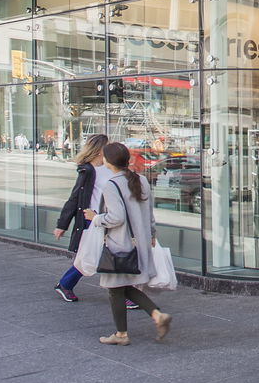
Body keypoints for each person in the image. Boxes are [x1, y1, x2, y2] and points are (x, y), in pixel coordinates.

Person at [83, 141, 171, 345]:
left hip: (120, 244)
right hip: (140, 242)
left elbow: (116, 218)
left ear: (108, 161)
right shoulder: (141, 180)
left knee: (115, 287)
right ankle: (157, 316)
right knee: (123, 286)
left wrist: (95, 218)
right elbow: (149, 214)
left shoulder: (112, 185)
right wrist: (152, 234)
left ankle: (122, 334)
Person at [53, 133, 109, 302]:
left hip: (107, 218)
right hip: (91, 219)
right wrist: (62, 225)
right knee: (90, 256)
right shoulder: (88, 171)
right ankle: (65, 284)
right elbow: (74, 198)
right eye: (108, 146)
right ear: (99, 150)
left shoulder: (109, 168)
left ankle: (65, 284)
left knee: (108, 254)